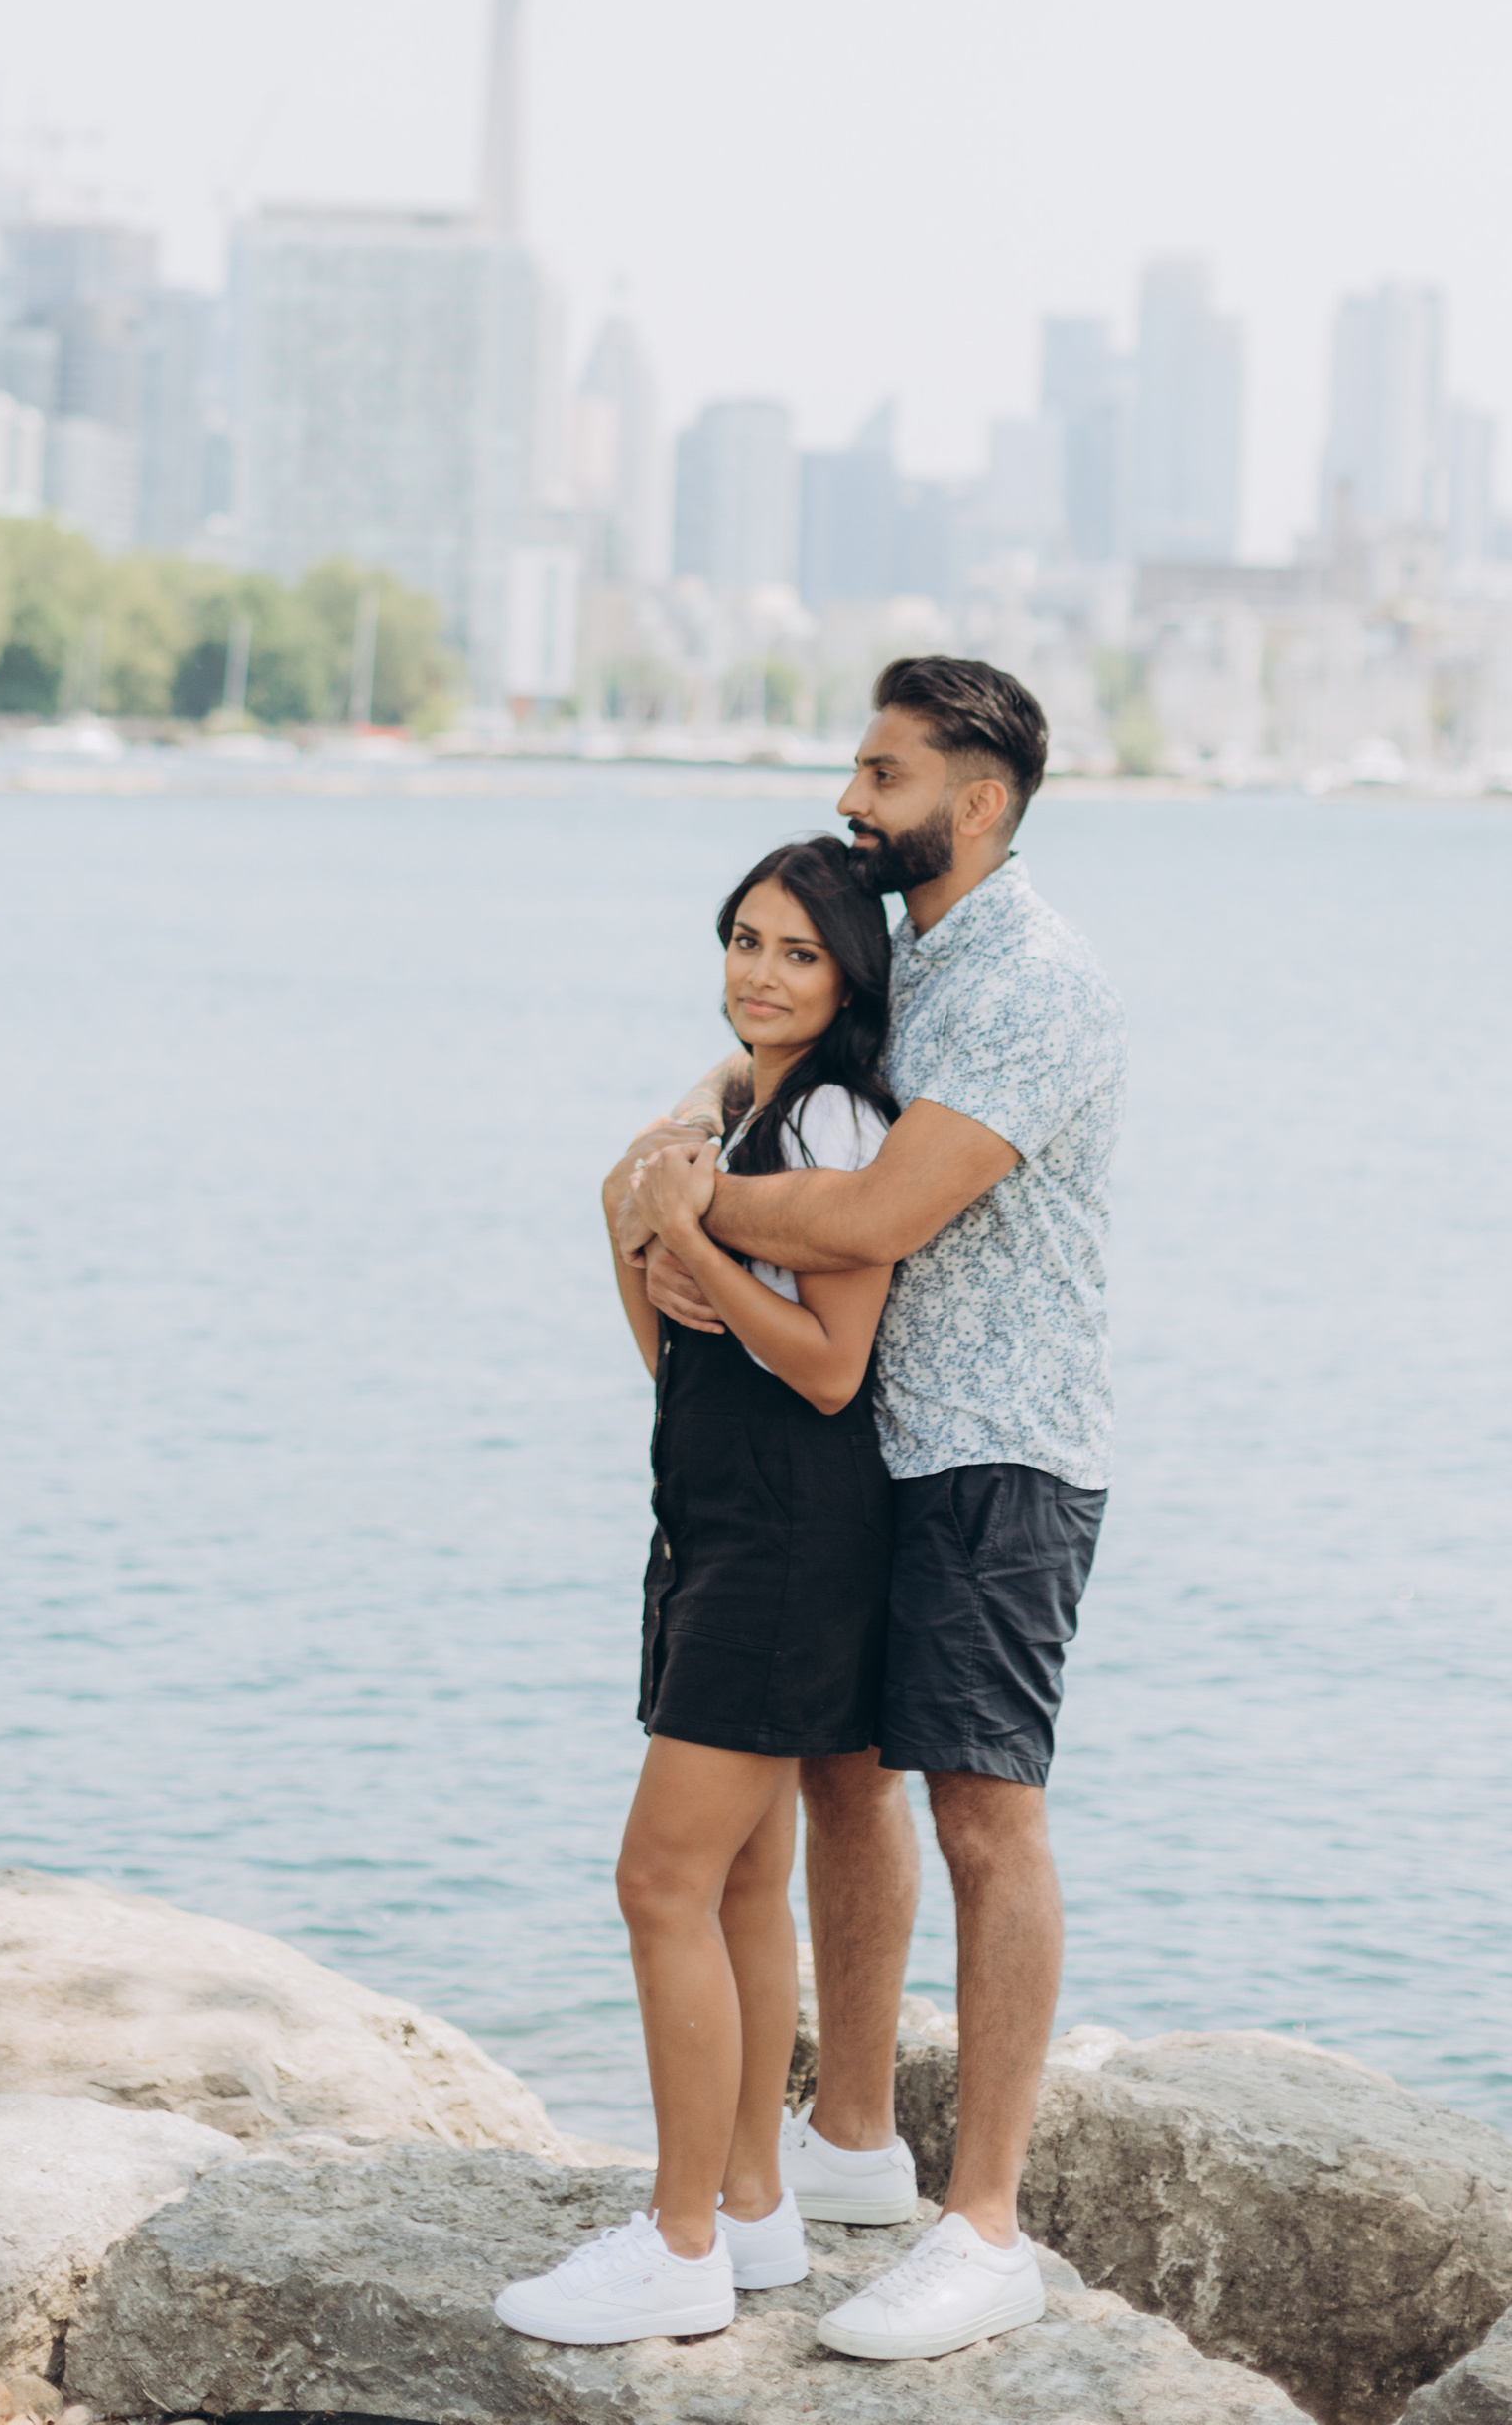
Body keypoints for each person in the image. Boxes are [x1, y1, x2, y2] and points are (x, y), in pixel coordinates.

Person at [621, 655, 1122, 2365]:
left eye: (884, 775)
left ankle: (984, 2228)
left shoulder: (1034, 983)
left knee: (987, 1815)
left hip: (998, 1445)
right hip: (865, 1454)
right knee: (842, 1781)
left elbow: (880, 1213)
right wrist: (693, 1119)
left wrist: (692, 1208)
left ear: (975, 803)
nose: (852, 798)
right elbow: (786, 1049)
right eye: (856, 767)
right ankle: (848, 2142)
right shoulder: (909, 952)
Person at [494, 839, 905, 2350]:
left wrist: (685, 1234)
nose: (761, 973)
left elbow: (833, 1367)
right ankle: (748, 2207)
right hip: (714, 1519)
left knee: (658, 1880)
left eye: (799, 951)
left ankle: (677, 2247)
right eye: (745, 940)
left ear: (850, 977)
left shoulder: (840, 1119)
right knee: (735, 1880)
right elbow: (677, 1354)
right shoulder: (732, 1111)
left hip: (792, 1541)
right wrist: (649, 1243)